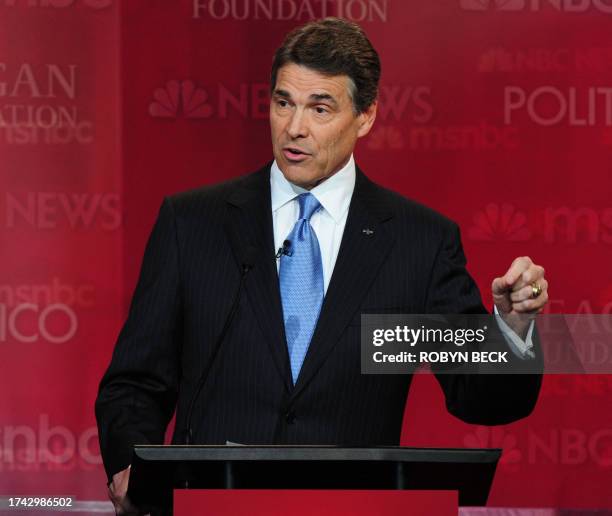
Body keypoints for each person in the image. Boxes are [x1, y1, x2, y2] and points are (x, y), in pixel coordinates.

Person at [96, 17, 548, 515]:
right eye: (283, 102)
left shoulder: (417, 243)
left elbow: (482, 399)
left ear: (366, 116)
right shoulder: (193, 224)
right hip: (209, 503)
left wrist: (511, 327)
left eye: (320, 107)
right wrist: (127, 466)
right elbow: (136, 382)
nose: (294, 128)